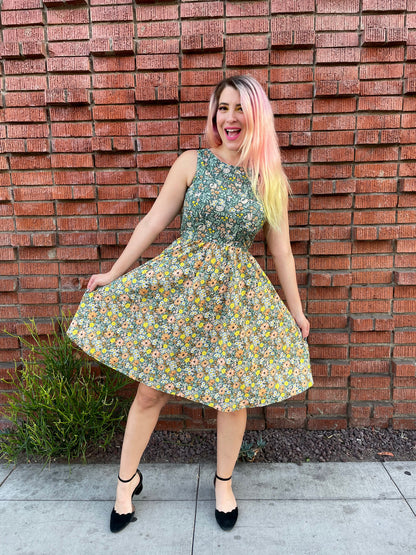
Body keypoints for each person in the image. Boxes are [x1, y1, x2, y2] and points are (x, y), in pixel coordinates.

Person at [67, 74, 313, 533]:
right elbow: (152, 222)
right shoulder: (191, 163)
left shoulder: (268, 178)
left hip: (235, 300)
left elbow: (281, 251)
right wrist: (114, 272)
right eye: (223, 108)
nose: (230, 118)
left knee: (232, 396)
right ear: (213, 113)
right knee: (150, 389)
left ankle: (223, 484)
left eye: (240, 108)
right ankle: (126, 484)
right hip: (181, 291)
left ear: (256, 115)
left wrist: (297, 312)